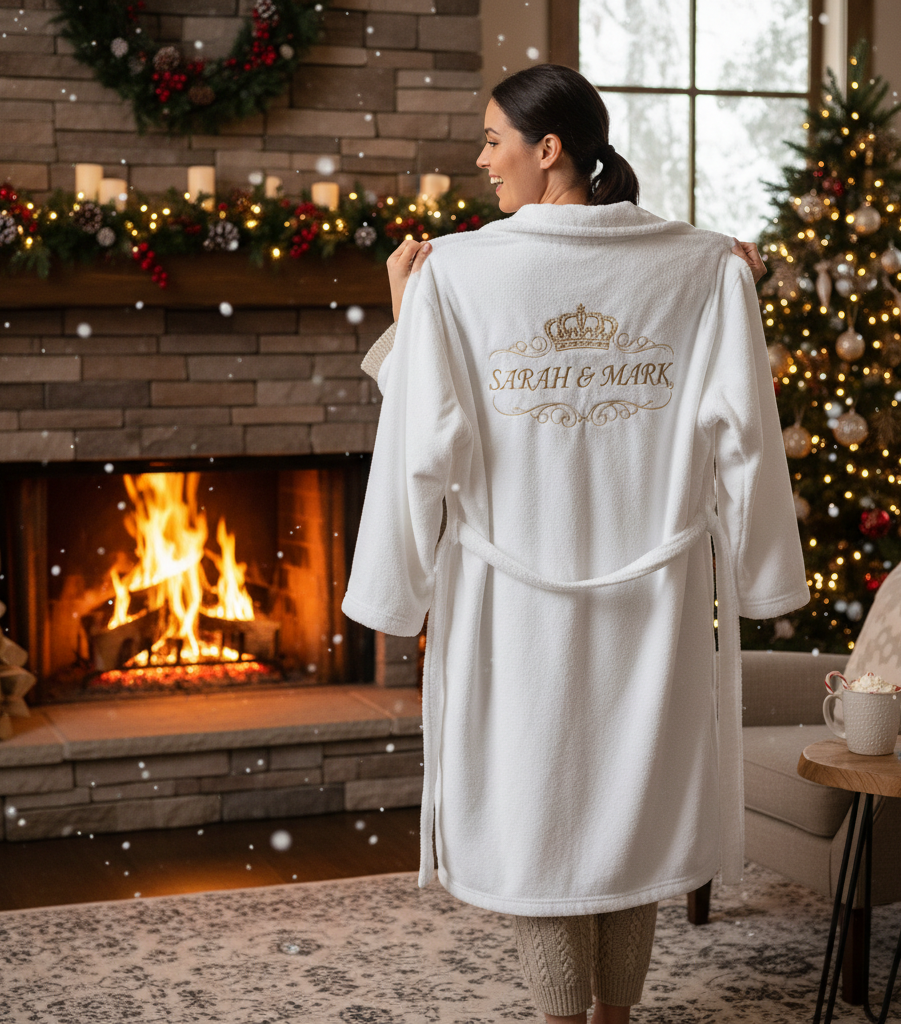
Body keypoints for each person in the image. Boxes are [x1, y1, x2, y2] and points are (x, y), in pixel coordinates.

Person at [343, 64, 809, 1024]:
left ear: (547, 147)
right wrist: (766, 579)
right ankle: (609, 1018)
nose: (480, 161)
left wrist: (394, 592)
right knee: (627, 807)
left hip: (517, 607)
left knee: (543, 814)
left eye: (491, 140)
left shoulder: (468, 273)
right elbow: (748, 437)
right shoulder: (699, 264)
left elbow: (419, 443)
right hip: (654, 600)